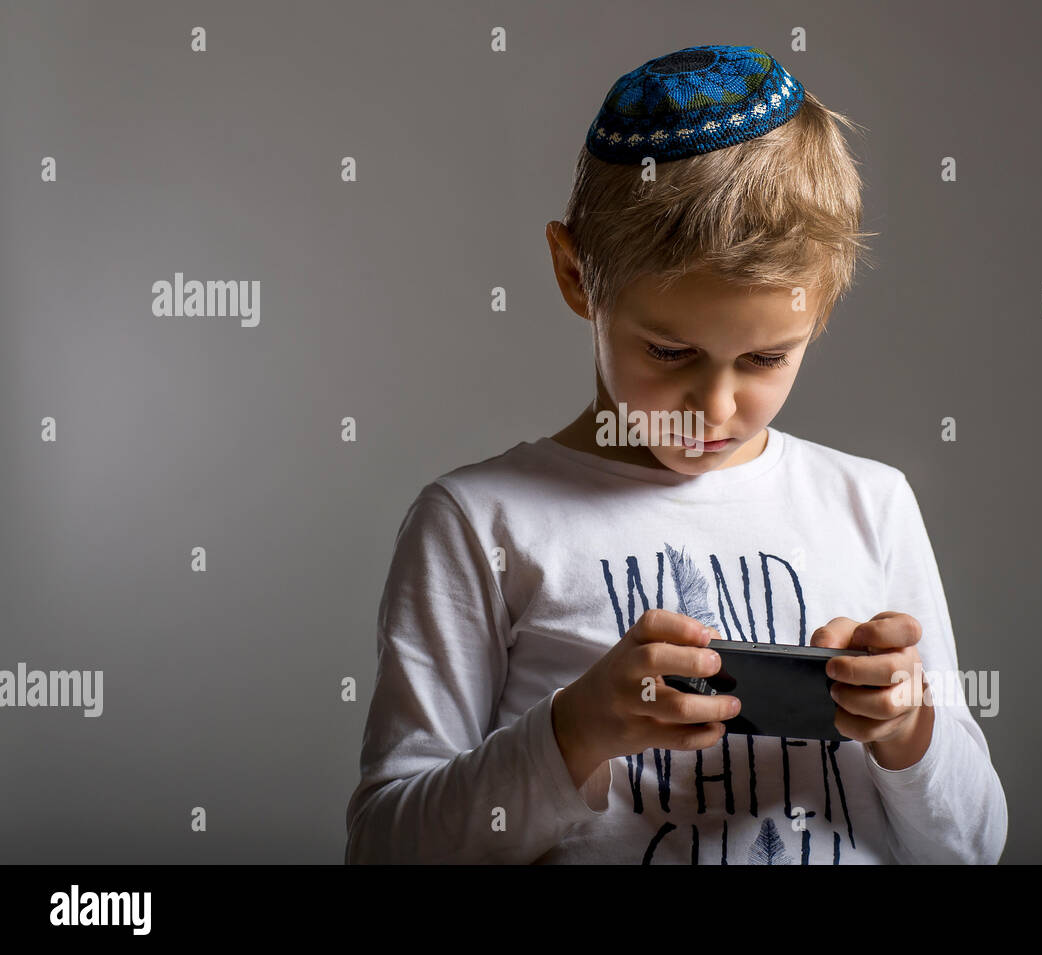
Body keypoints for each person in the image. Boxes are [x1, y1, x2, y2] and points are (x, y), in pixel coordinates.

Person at [344, 44, 1008, 864]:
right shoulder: (480, 523)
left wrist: (907, 729)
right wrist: (576, 730)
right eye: (669, 351)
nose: (716, 408)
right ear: (576, 274)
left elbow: (973, 846)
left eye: (765, 359)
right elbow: (387, 847)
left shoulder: (872, 504)